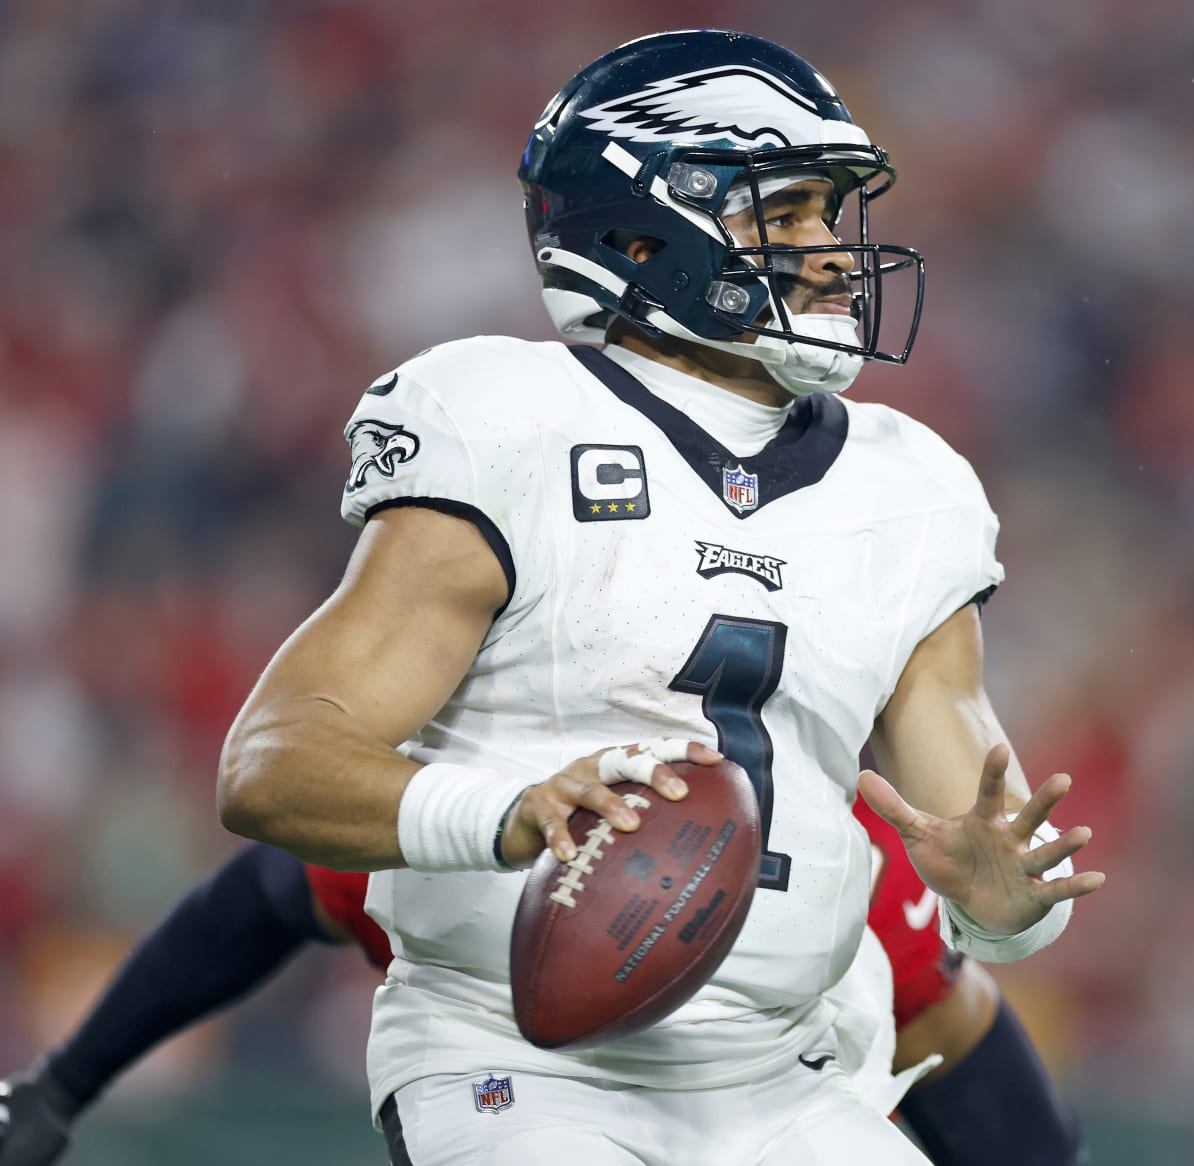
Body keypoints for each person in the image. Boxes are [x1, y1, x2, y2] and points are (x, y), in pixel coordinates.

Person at [210, 27, 1101, 1166]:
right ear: (640, 230)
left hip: (786, 1077)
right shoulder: (502, 416)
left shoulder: (910, 484)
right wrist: (510, 809)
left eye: (832, 216)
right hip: (517, 1062)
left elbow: (982, 833)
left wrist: (1006, 903)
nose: (830, 253)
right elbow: (274, 762)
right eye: (785, 215)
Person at [0, 815, 1083, 1164]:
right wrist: (62, 1083)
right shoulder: (459, 812)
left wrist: (64, 1084)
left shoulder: (822, 842)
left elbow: (951, 1020)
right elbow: (270, 892)